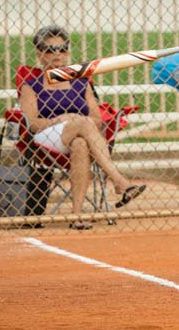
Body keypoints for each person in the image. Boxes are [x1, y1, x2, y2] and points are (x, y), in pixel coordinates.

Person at [18, 25, 146, 230]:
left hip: (82, 136)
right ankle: (119, 181)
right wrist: (63, 119)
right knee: (81, 122)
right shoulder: (31, 85)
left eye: (62, 48)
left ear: (68, 52)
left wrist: (76, 122)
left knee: (80, 143)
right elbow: (32, 123)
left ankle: (76, 215)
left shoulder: (81, 82)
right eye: (50, 49)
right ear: (39, 54)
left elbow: (97, 119)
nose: (57, 53)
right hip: (47, 138)